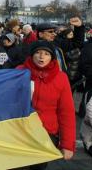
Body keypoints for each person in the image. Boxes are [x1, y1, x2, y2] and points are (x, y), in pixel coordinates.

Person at [17, 40, 75, 169]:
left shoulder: (61, 78)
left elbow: (66, 112)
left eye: (46, 54)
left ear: (52, 57)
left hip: (46, 135)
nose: (42, 56)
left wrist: (67, 145)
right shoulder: (19, 73)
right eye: (38, 53)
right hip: (21, 133)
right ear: (32, 55)